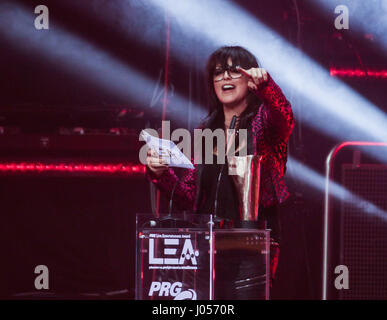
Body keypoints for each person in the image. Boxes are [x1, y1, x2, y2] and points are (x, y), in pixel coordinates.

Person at [146, 46, 294, 299]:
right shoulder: (207, 131)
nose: (224, 77)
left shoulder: (263, 122)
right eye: (218, 72)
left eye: (233, 71)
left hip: (252, 240)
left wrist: (267, 86)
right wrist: (161, 175)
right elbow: (190, 196)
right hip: (208, 241)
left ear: (250, 79)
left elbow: (284, 116)